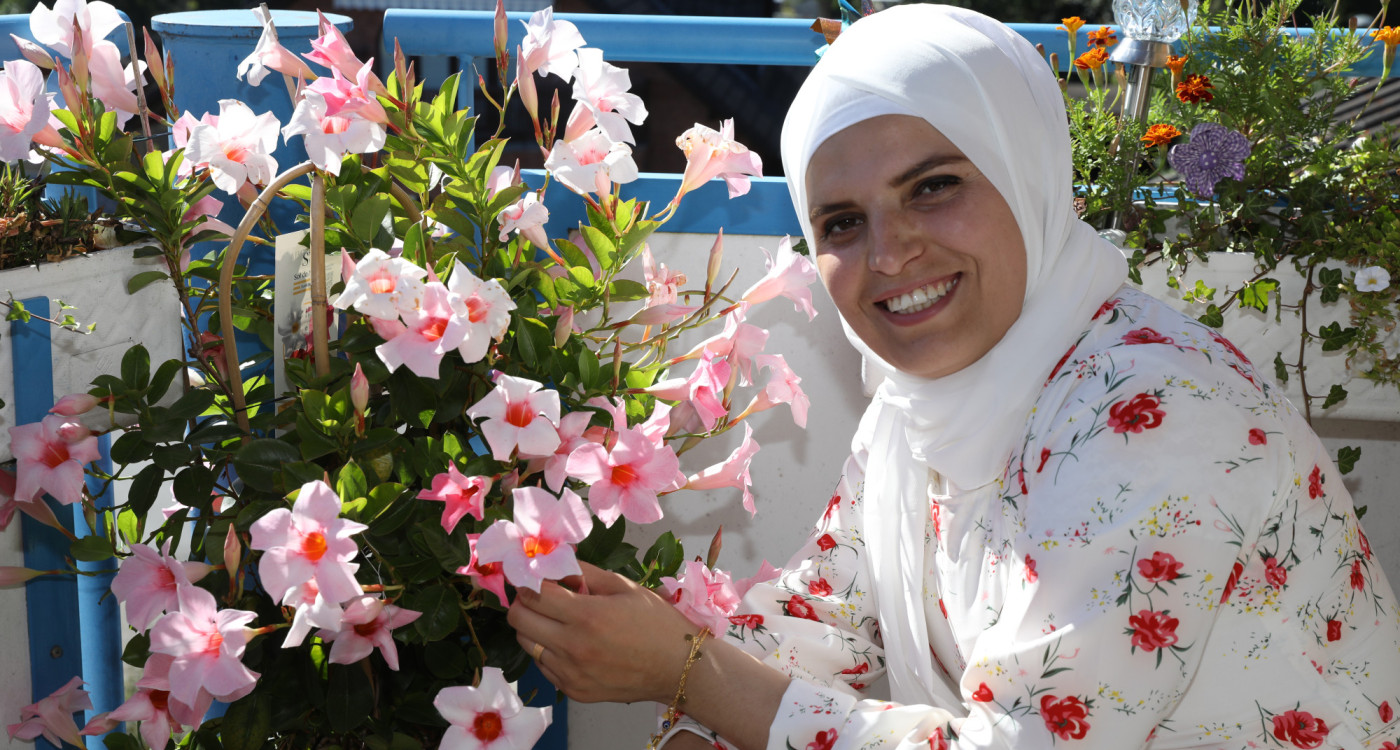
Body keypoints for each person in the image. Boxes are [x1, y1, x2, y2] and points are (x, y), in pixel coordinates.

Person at [506, 5, 1400, 749]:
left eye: (933, 186)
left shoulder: (1162, 421)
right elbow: (828, 620)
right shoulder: (922, 402)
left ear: (1027, 175)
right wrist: (672, 677)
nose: (891, 252)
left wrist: (685, 672)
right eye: (844, 222)